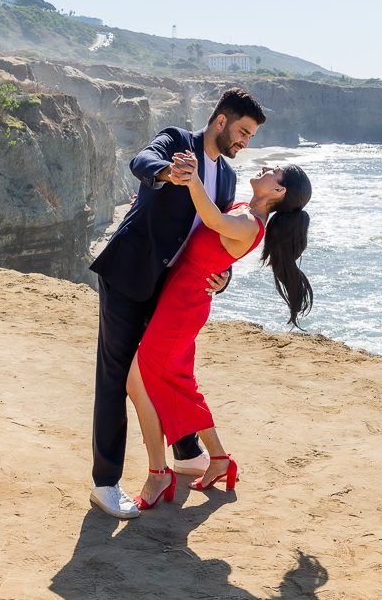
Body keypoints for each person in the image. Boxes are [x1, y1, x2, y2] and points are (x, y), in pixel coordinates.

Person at [88, 88, 265, 519]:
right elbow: (141, 163)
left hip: (172, 289)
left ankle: (186, 453)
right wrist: (169, 173)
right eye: (242, 131)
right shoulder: (176, 141)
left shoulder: (225, 177)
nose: (245, 142)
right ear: (220, 121)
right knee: (116, 377)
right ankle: (106, 483)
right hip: (130, 274)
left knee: (164, 371)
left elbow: (217, 234)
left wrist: (223, 277)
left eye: (251, 137)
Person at [125, 160, 312, 510]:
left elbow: (212, 220)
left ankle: (159, 472)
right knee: (176, 381)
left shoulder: (249, 222)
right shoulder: (246, 209)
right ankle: (219, 459)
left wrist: (192, 178)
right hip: (183, 299)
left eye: (276, 171)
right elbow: (212, 241)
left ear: (278, 191)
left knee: (138, 382)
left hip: (183, 306)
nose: (267, 167)